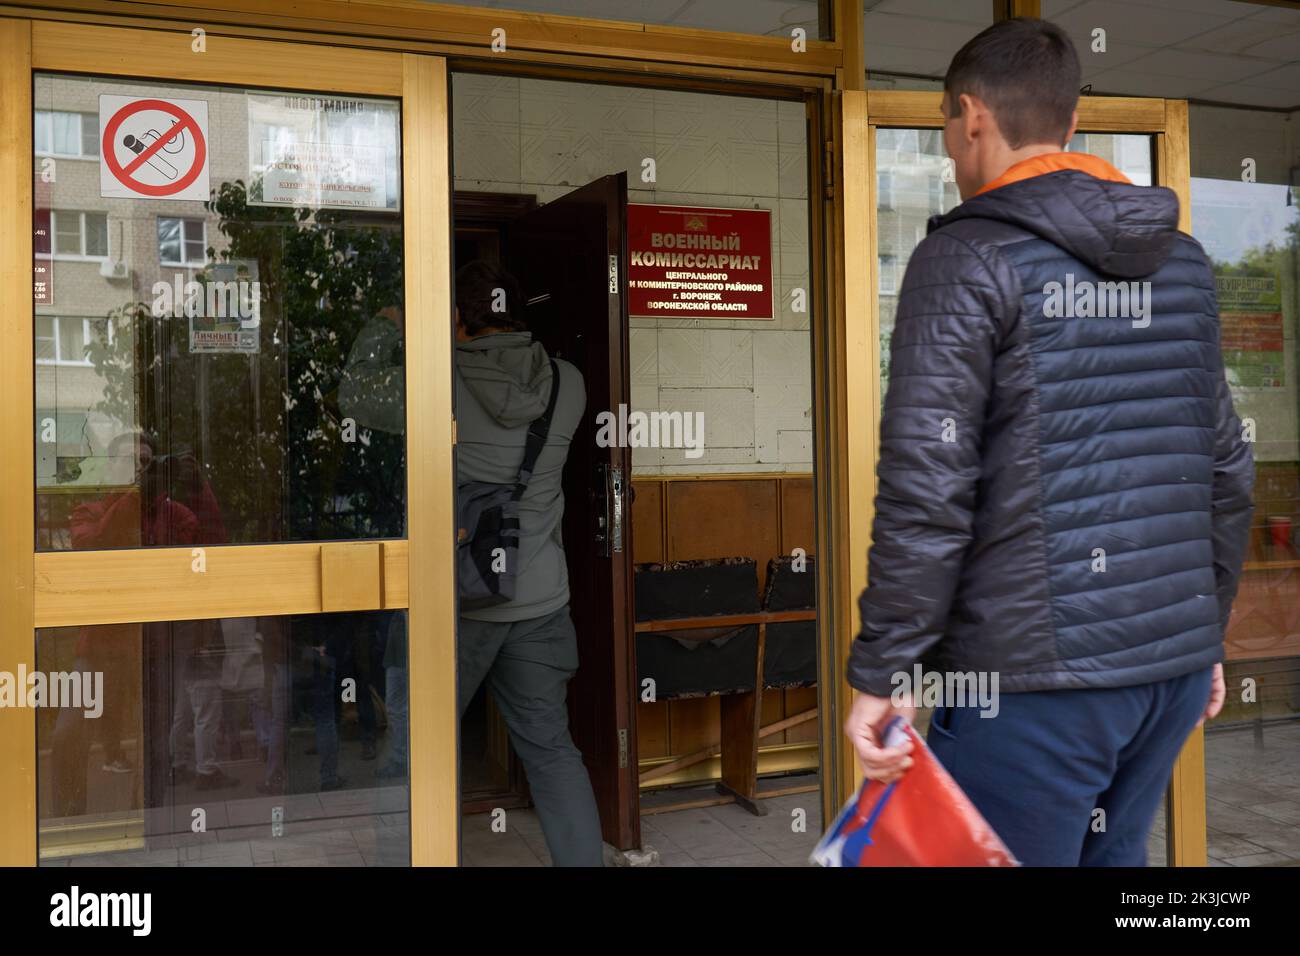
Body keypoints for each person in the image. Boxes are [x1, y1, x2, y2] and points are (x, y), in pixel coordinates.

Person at [842, 17, 1254, 867]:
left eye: (948, 133)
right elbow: (1225, 464)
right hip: (1164, 676)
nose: (953, 155)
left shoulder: (965, 256)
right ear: (1067, 123)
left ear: (971, 116)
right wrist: (1201, 634)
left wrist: (881, 674)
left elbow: (928, 488)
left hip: (1031, 687)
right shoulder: (1182, 262)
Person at [454, 260, 603, 867]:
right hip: (541, 597)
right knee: (551, 750)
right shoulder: (568, 382)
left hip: (458, 600)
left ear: (460, 316)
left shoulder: (433, 378)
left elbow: (357, 397)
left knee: (416, 750)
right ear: (517, 313)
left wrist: (394, 327)